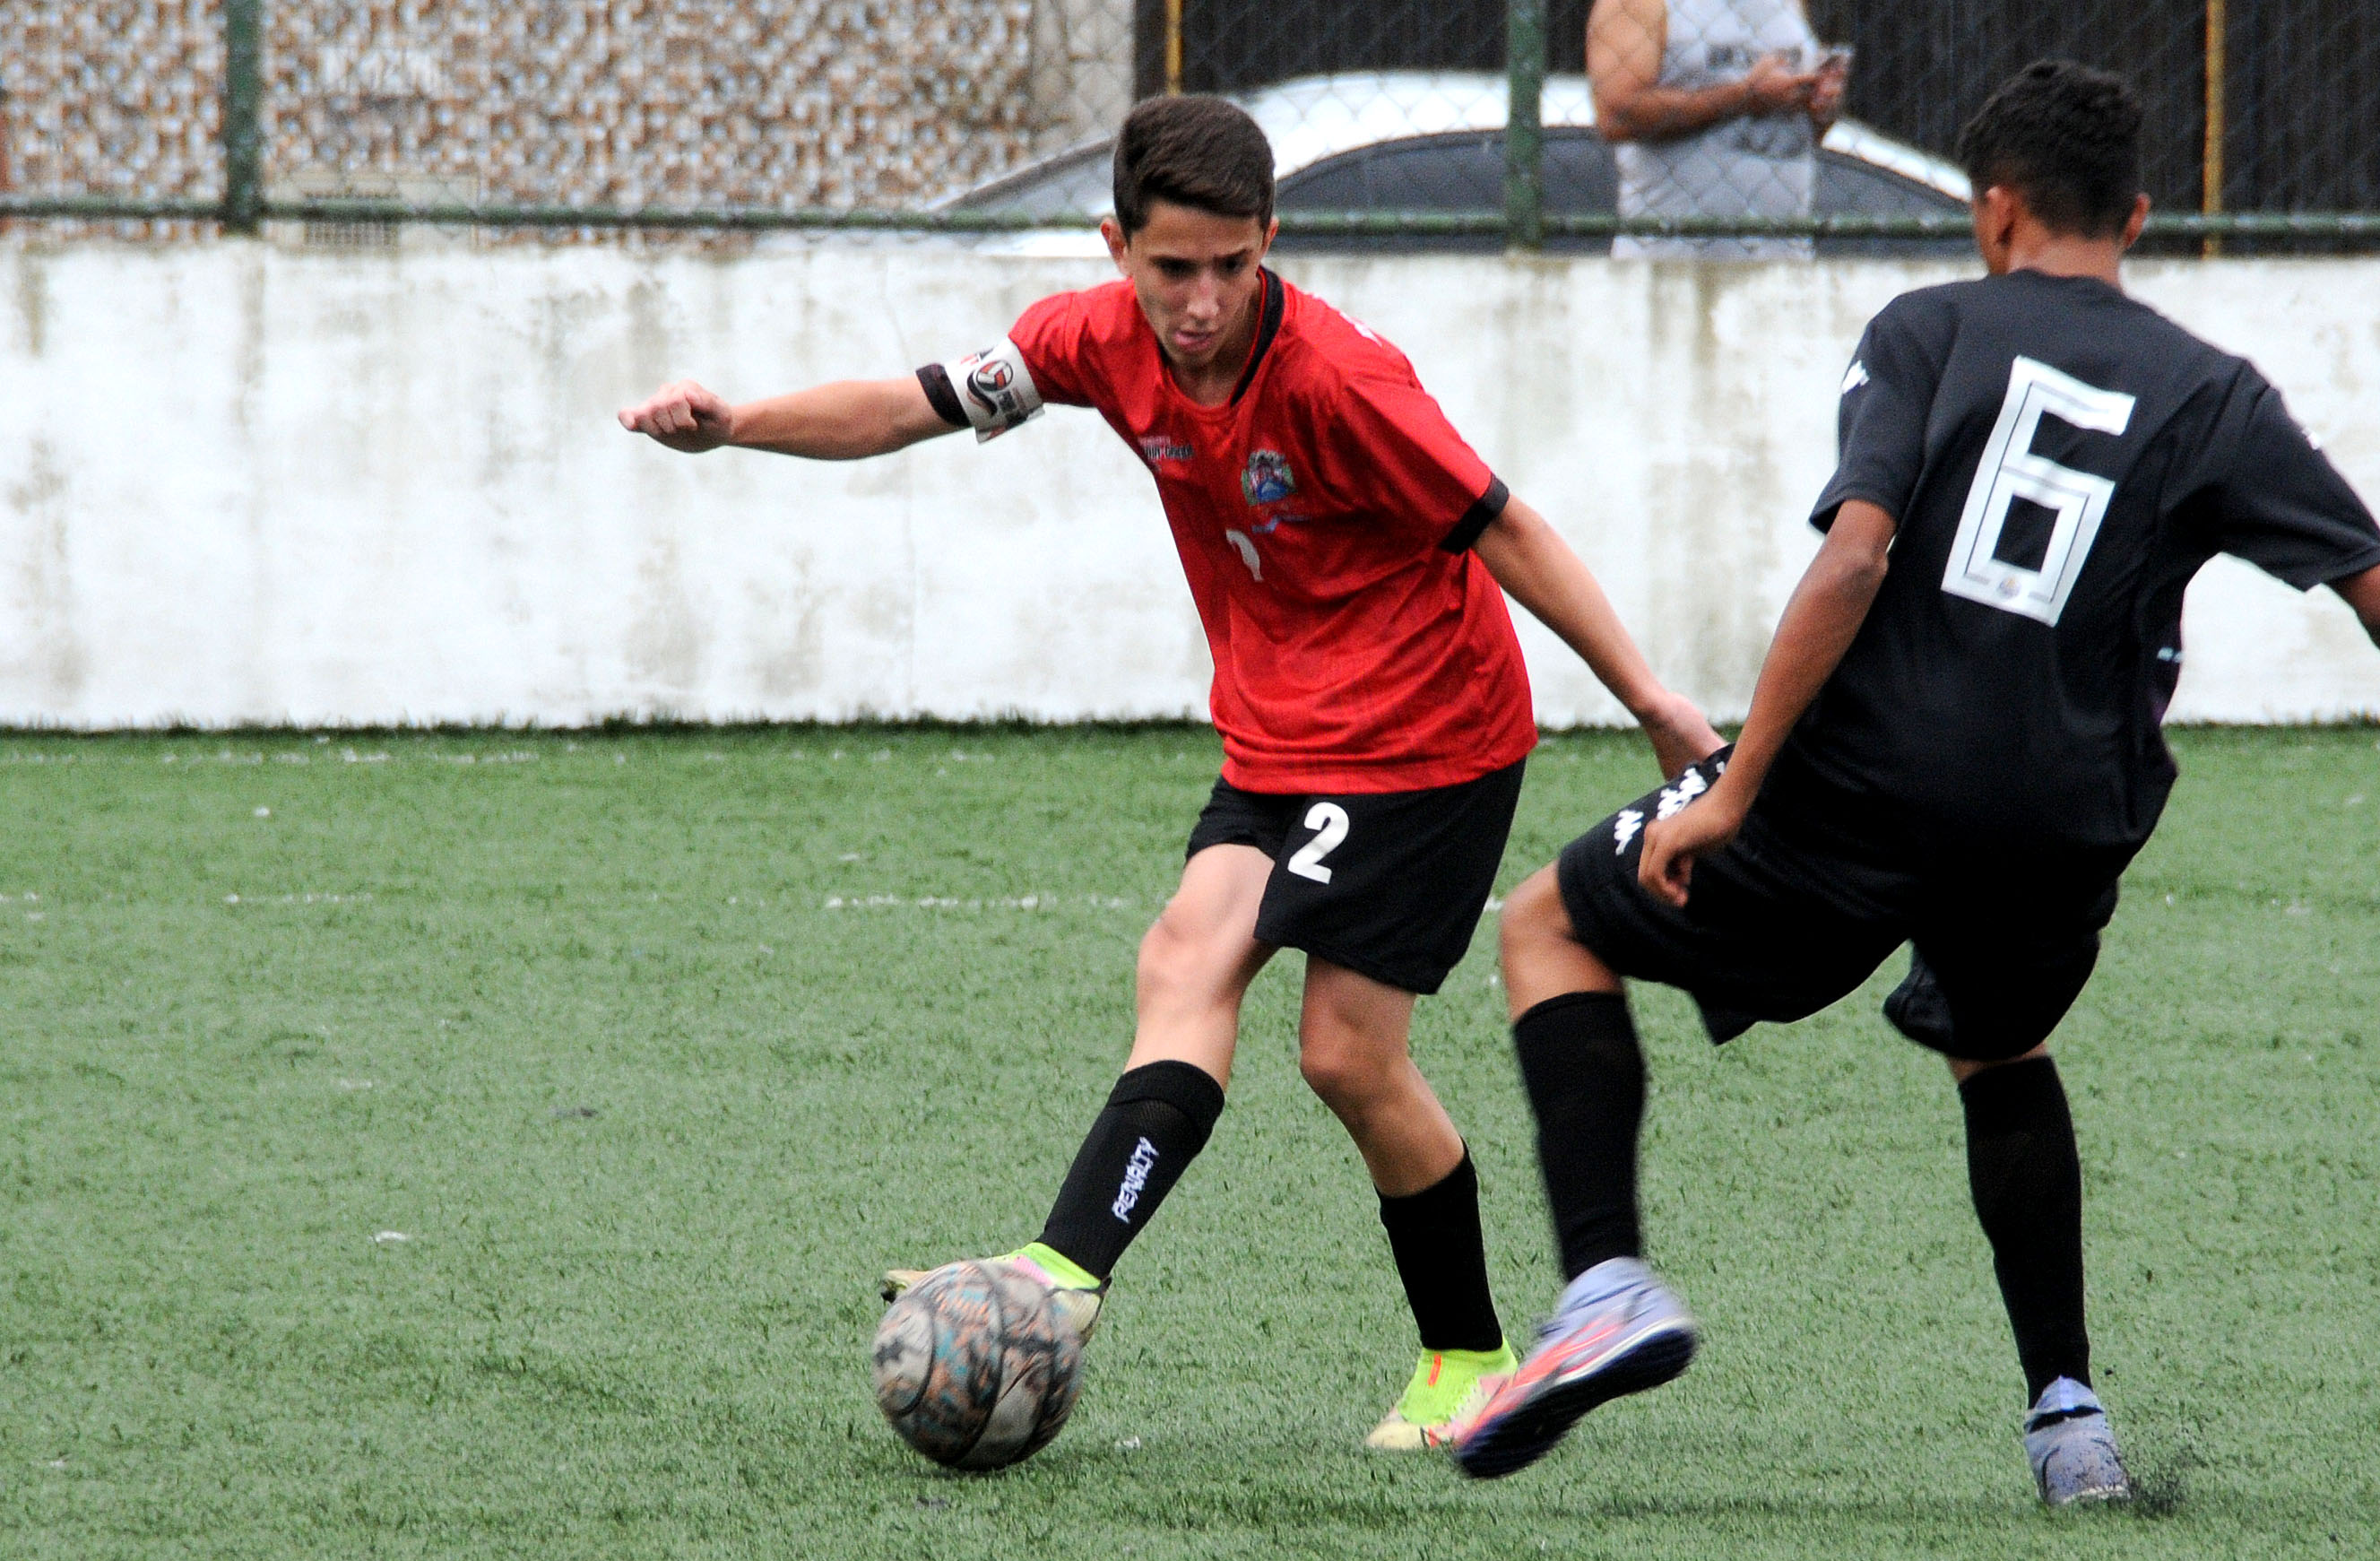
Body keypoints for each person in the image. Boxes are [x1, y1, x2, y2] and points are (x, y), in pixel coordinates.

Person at [619, 96, 1720, 1453]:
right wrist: (735, 426)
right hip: (1281, 729)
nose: (1200, 303)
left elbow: (1514, 534)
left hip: (1426, 738)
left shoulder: (1340, 380)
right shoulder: (1090, 340)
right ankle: (1066, 1277)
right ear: (1116, 248)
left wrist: (1655, 703)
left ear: (1271, 242)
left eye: (1230, 269)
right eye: (1171, 270)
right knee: (1184, 957)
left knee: (1346, 1058)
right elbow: (904, 407)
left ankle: (1464, 1357)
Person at [1451, 60, 2380, 1502]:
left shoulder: (1928, 330)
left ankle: (1607, 1283)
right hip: (2062, 818)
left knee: (1547, 923)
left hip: (1865, 786)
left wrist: (1735, 789)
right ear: (2135, 213)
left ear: (1994, 215)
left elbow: (1856, 556)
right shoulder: (2216, 393)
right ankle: (2070, 1423)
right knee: (2001, 1049)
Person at [1589, 0, 1848, 260]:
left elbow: (1804, 133)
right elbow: (1616, 117)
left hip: (1784, 260)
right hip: (1675, 265)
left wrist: (1819, 103)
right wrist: (1744, 97)